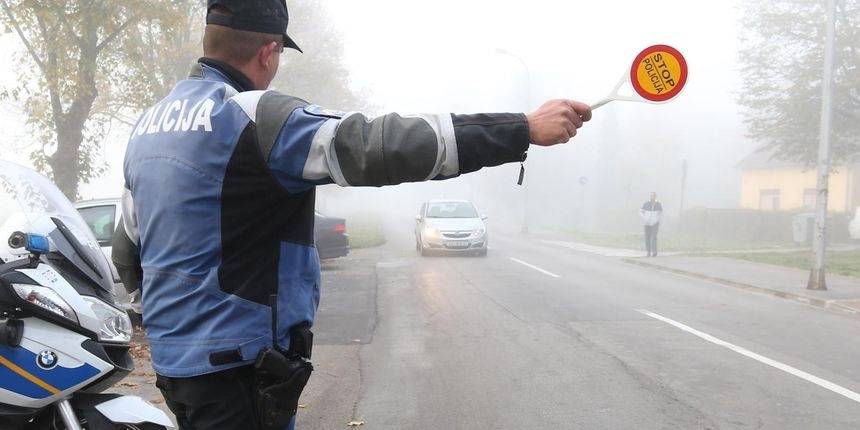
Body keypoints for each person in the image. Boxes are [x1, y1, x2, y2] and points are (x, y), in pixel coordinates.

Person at [112, 1, 592, 429]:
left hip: (175, 367)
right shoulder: (254, 117)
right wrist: (521, 128)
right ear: (268, 52)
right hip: (242, 369)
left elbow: (128, 253)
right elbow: (380, 147)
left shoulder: (148, 128)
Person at [640, 192, 663, 257]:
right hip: (647, 224)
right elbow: (641, 212)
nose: (652, 197)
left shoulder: (658, 204)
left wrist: (657, 221)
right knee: (647, 237)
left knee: (654, 237)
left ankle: (654, 252)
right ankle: (648, 251)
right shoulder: (646, 204)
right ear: (650, 196)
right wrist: (645, 219)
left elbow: (660, 214)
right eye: (651, 195)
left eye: (653, 195)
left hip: (655, 224)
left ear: (655, 196)